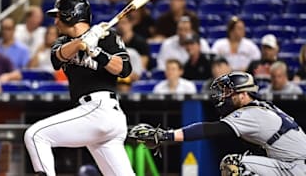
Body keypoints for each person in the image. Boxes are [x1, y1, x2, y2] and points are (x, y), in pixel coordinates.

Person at [24, 0, 135, 176]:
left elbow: (124, 69)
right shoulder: (62, 41)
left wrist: (96, 51)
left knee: (35, 135)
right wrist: (82, 41)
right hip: (94, 117)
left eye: (59, 16)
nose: (55, 22)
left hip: (101, 109)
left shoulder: (108, 37)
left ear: (71, 15)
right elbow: (57, 58)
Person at [130, 71, 306, 175]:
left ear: (244, 94)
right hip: (292, 163)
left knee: (233, 164)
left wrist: (165, 135)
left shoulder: (250, 113)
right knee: (244, 158)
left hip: (295, 166)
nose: (224, 96)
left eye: (229, 92)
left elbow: (209, 130)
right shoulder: (262, 107)